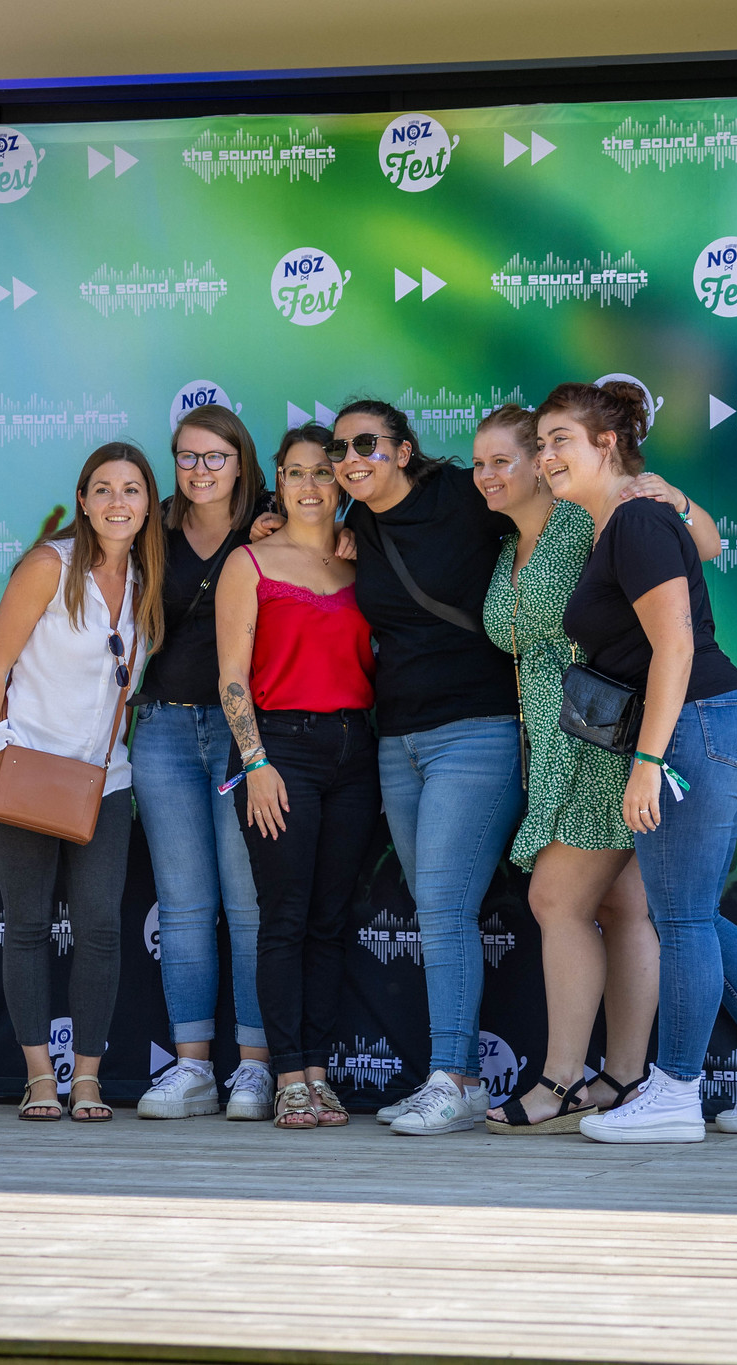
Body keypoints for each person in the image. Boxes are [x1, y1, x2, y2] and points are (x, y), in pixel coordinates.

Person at [538, 381, 737, 1143]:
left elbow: (676, 646)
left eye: (559, 439)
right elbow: (709, 545)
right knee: (691, 915)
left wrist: (647, 760)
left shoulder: (634, 519)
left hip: (695, 728)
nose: (545, 457)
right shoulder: (626, 520)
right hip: (714, 726)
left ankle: (672, 1091)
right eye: (539, 444)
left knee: (681, 918)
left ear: (607, 443)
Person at [468, 403, 724, 1133]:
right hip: (560, 742)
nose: (491, 473)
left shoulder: (587, 516)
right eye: (479, 463)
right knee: (620, 906)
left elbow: (702, 541)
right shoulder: (503, 550)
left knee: (556, 899)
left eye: (509, 458)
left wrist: (671, 493)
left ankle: (558, 1079)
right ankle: (621, 1076)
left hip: (608, 737)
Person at [329, 399, 527, 1136]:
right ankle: (452, 1074)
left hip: (478, 731)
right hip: (399, 741)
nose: (353, 457)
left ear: (404, 450)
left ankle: (457, 1076)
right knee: (436, 912)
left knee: (444, 906)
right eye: (341, 446)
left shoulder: (463, 496)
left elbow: (552, 521)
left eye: (368, 443)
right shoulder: (359, 528)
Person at [0, 442, 164, 1123]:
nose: (117, 502)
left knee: (101, 926)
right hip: (28, 772)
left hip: (105, 780)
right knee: (29, 925)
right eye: (103, 489)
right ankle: (40, 1075)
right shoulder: (51, 564)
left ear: (147, 503)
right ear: (83, 499)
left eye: (131, 490)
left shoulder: (146, 577)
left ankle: (89, 1078)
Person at [215, 426, 378, 1130]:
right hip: (280, 748)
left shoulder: (361, 562)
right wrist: (256, 763)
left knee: (329, 921)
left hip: (356, 750)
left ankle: (318, 1070)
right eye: (296, 472)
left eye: (324, 472)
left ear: (343, 481)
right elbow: (231, 679)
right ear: (277, 481)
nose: (311, 486)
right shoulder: (249, 562)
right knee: (283, 917)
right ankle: (287, 1075)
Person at [130, 405, 276, 1123]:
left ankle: (254, 1066)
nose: (200, 471)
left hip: (241, 729)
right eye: (187, 457)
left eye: (215, 457)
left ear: (241, 461)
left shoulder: (272, 523)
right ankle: (191, 1068)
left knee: (248, 903)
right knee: (184, 903)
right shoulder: (151, 528)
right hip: (161, 726)